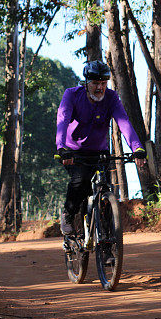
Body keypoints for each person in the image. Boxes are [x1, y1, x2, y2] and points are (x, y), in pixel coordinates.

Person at [55, 60, 146, 236]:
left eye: (103, 83)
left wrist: (137, 148)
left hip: (99, 151)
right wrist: (61, 147)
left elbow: (123, 122)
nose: (100, 88)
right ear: (86, 83)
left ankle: (106, 242)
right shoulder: (72, 95)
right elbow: (62, 119)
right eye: (95, 83)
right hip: (73, 151)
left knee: (104, 190)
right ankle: (68, 214)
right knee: (80, 181)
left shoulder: (111, 98)